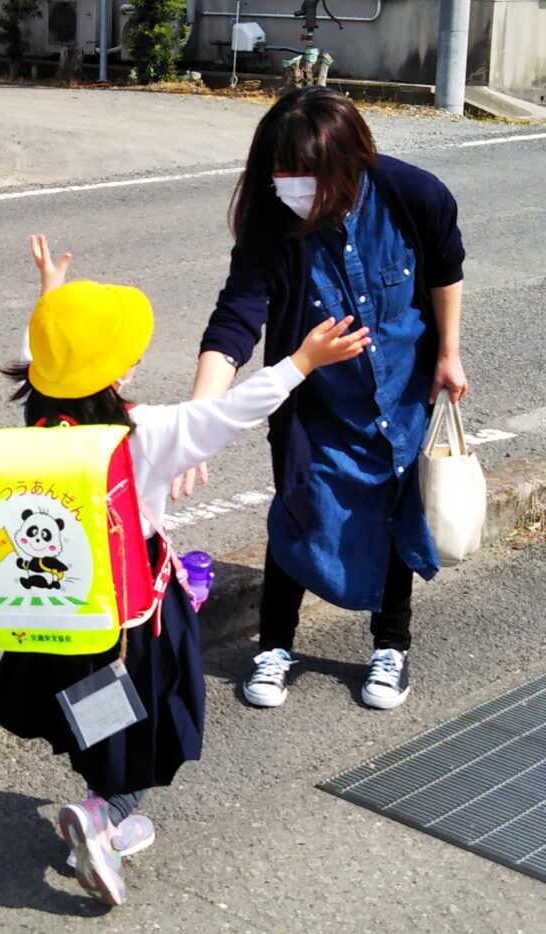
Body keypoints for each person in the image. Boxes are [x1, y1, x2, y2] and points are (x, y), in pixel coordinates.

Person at [0, 234, 370, 907]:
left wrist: (49, 296)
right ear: (114, 375)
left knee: (103, 720)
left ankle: (106, 811)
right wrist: (301, 361)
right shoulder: (144, 432)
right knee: (166, 722)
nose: (133, 363)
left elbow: (42, 358)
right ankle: (103, 816)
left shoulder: (33, 420)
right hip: (136, 625)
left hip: (61, 625)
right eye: (125, 356)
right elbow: (229, 412)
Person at [176, 87, 468, 712]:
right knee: (298, 511)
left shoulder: (412, 195)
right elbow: (234, 323)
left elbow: (446, 269)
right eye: (278, 170)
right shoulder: (272, 226)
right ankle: (274, 646)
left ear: (349, 161)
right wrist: (196, 424)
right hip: (314, 406)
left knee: (395, 510)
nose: (290, 184)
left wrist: (449, 352)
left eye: (304, 172)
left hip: (401, 392)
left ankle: (391, 645)